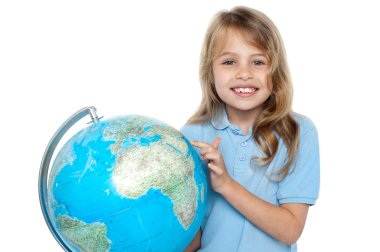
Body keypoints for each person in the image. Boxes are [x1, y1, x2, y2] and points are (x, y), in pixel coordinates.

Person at [181, 6, 320, 252]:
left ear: (275, 71)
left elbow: (290, 230)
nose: (244, 73)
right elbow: (193, 234)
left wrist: (227, 186)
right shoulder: (193, 135)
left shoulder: (298, 133)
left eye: (258, 62)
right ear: (210, 71)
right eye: (229, 61)